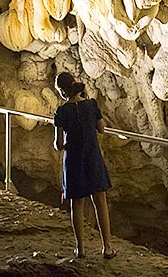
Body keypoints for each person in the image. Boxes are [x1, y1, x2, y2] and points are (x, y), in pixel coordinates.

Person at [53, 71, 116, 259]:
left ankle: (80, 249)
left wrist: (66, 140)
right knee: (100, 202)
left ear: (62, 92)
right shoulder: (91, 105)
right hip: (92, 157)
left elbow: (58, 145)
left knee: (77, 205)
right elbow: (102, 129)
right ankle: (107, 247)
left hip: (73, 160)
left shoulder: (61, 111)